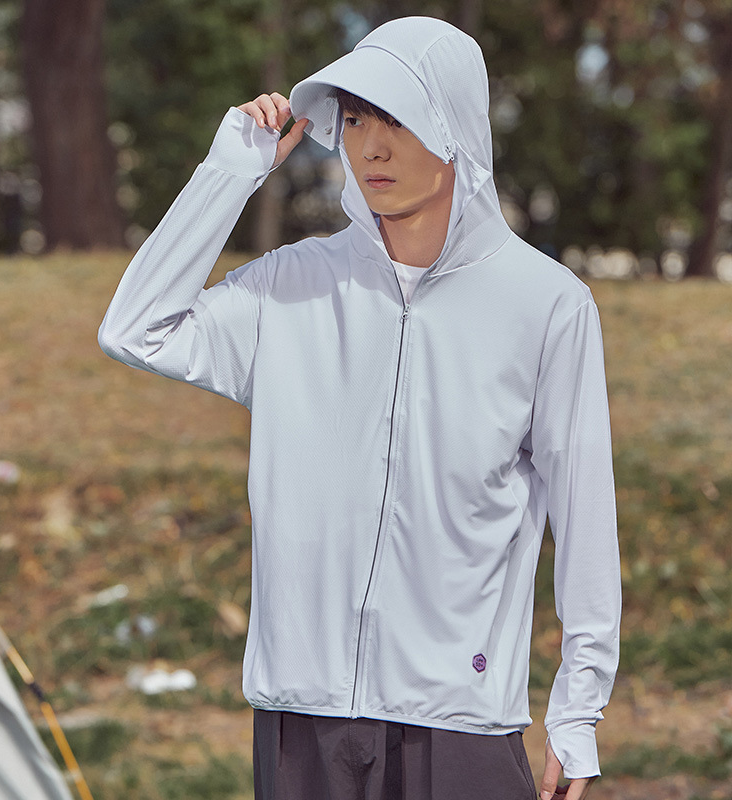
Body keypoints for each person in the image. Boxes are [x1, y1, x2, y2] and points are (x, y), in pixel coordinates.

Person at [98, 15, 621, 800]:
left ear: (454, 128)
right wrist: (228, 173)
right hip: (301, 721)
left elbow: (585, 518)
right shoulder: (290, 286)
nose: (370, 147)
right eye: (354, 120)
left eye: (397, 119)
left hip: (460, 722)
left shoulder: (547, 306)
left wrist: (577, 711)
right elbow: (134, 330)